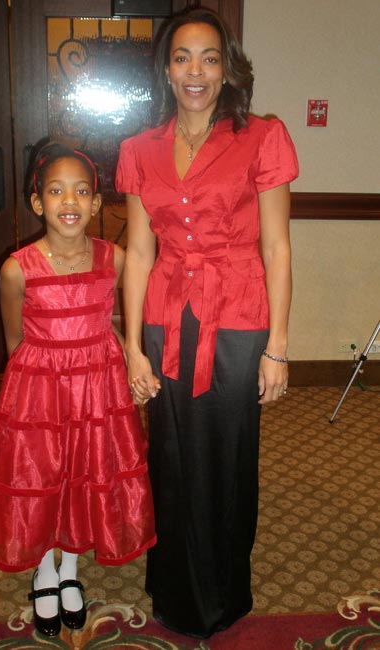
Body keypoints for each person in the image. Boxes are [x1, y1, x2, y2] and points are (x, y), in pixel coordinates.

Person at [115, 7, 299, 639]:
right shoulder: (138, 149)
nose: (195, 71)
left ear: (228, 69)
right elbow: (139, 253)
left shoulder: (261, 136)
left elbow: (276, 248)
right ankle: (174, 589)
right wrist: (134, 346)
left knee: (226, 454)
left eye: (210, 58)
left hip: (239, 320)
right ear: (165, 69)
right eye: (183, 57)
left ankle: (222, 591)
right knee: (169, 455)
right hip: (167, 318)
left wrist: (277, 347)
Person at [0, 142, 156, 637]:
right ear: (37, 202)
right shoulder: (16, 268)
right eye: (56, 191)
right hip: (39, 393)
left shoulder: (116, 259)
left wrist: (130, 360)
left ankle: (70, 571)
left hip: (98, 390)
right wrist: (38, 380)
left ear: (98, 203)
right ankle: (43, 569)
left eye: (82, 192)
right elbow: (15, 339)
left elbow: (125, 320)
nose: (70, 202)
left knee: (87, 472)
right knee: (43, 478)